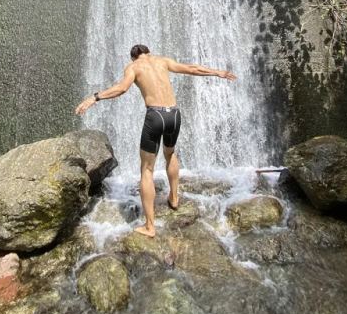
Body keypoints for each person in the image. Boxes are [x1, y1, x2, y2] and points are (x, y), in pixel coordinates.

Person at [75, 44, 236, 238]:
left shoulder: (134, 67)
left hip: (156, 115)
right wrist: (217, 72)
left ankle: (150, 226)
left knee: (147, 169)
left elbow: (122, 88)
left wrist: (95, 98)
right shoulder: (162, 61)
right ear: (149, 53)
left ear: (133, 58)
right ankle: (174, 198)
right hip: (174, 114)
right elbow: (193, 69)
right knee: (170, 153)